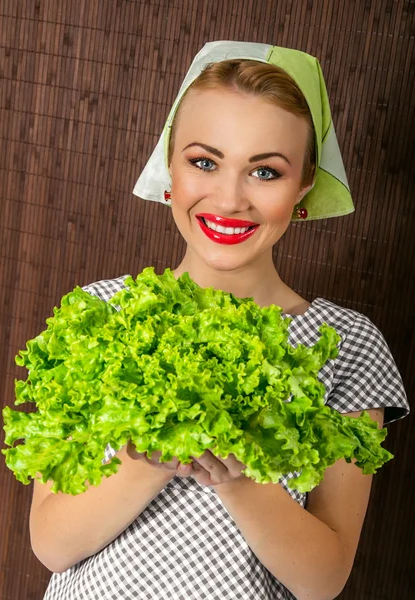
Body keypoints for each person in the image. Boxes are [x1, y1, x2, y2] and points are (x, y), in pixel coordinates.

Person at [31, 41, 409, 600]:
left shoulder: (346, 345)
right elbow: (51, 546)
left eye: (265, 171)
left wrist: (239, 478)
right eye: (204, 162)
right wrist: (152, 458)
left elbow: (323, 581)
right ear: (170, 166)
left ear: (304, 184)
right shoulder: (100, 313)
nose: (230, 199)